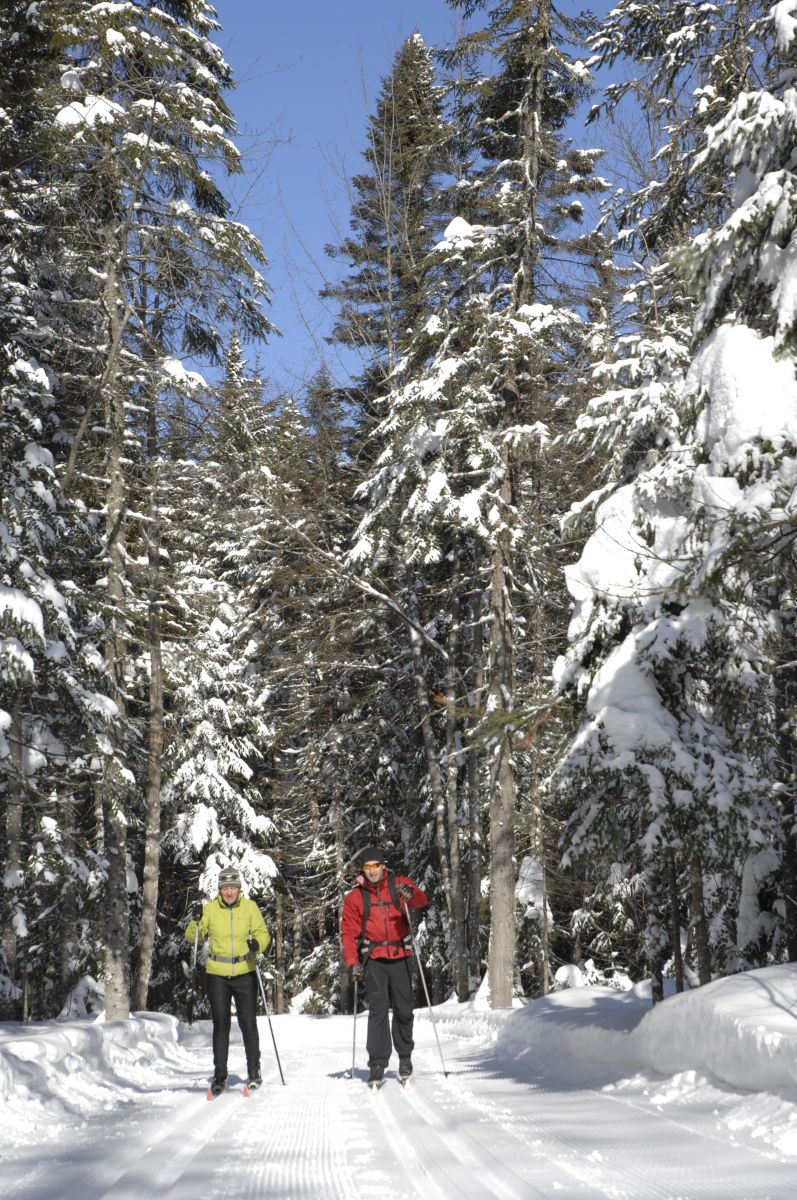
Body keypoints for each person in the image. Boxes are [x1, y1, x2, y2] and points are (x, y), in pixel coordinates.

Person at [340, 846, 428, 1085]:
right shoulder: (355, 897)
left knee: (404, 1009)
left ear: (383, 866)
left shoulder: (398, 884)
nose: (372, 871)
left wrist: (410, 893)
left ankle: (405, 1058)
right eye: (367, 867)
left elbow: (421, 901)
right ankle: (377, 1063)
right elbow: (348, 933)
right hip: (374, 959)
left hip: (400, 954)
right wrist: (352, 963)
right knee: (378, 1011)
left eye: (376, 866)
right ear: (363, 870)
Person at [185, 865, 269, 1096]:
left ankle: (254, 1071)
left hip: (245, 970)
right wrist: (195, 921)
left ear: (239, 888)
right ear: (220, 890)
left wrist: (257, 945)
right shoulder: (210, 909)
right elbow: (192, 937)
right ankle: (219, 1075)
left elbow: (263, 934)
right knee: (220, 1024)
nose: (229, 892)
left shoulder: (250, 907)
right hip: (217, 973)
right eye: (225, 888)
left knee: (248, 1023)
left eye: (233, 887)